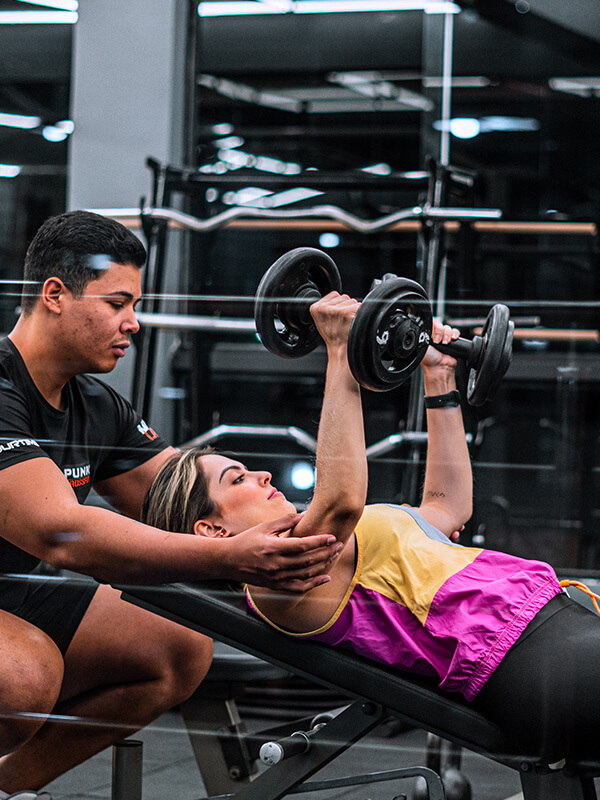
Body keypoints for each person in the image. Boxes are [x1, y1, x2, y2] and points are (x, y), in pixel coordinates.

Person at [143, 291, 600, 767]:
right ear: (211, 530)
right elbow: (341, 498)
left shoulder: (325, 536)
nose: (262, 476)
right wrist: (340, 351)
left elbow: (447, 508)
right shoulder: (279, 580)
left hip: (557, 624)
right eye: (237, 479)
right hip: (528, 659)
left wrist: (438, 377)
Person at [0, 210, 342, 797]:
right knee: (24, 677)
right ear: (54, 295)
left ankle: (5, 786)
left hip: (17, 589)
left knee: (176, 647)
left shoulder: (95, 404)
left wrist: (346, 368)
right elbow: (57, 531)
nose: (133, 323)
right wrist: (230, 559)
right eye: (117, 303)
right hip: (17, 594)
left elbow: (193, 498)